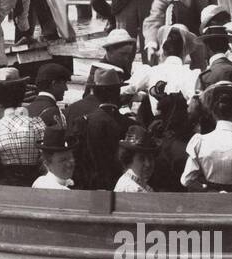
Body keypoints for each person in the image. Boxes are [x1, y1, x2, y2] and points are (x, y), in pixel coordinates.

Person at [142, 0, 218, 66]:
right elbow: (156, 16)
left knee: (201, 61)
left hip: (201, 24)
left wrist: (211, 7)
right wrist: (151, 43)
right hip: (181, 27)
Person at [66, 62, 129, 190]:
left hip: (88, 186)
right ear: (117, 92)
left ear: (95, 91)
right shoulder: (127, 124)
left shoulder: (83, 122)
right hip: (118, 187)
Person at [0, 67, 45, 185]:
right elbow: (46, 163)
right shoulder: (37, 125)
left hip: (5, 191)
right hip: (34, 188)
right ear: (22, 93)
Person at [181, 81, 232, 191]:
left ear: (212, 112)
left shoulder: (200, 141)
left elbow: (186, 180)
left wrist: (207, 189)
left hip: (208, 202)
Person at [115, 126, 158, 192]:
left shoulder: (142, 186)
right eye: (141, 158)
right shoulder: (130, 188)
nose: (148, 164)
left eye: (150, 158)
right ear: (129, 160)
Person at [28, 62, 69, 128]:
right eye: (64, 83)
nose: (66, 88)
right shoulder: (52, 112)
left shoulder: (27, 109)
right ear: (54, 84)